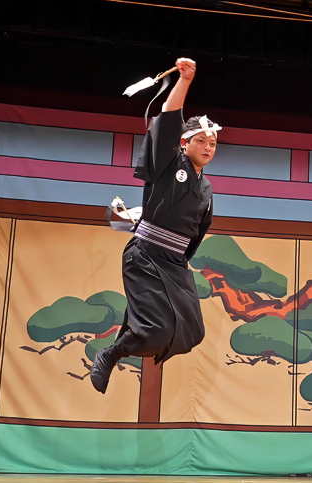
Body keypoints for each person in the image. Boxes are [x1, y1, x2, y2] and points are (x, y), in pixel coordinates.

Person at [91, 57, 219, 394]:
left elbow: (196, 235)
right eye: (201, 141)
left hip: (174, 262)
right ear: (184, 142)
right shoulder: (168, 163)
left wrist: (179, 261)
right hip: (145, 255)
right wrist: (185, 81)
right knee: (156, 330)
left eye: (213, 143)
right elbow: (169, 117)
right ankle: (111, 353)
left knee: (192, 331)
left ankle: (132, 343)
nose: (207, 147)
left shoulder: (206, 189)